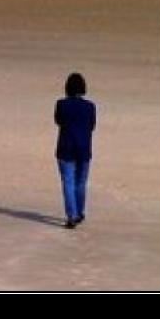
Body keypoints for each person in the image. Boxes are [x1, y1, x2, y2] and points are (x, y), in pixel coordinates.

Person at [55, 72, 96, 229]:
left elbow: (58, 121)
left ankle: (72, 215)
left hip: (65, 148)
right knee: (80, 183)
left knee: (68, 182)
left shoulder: (61, 104)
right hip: (84, 148)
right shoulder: (90, 106)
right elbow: (92, 126)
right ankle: (79, 212)